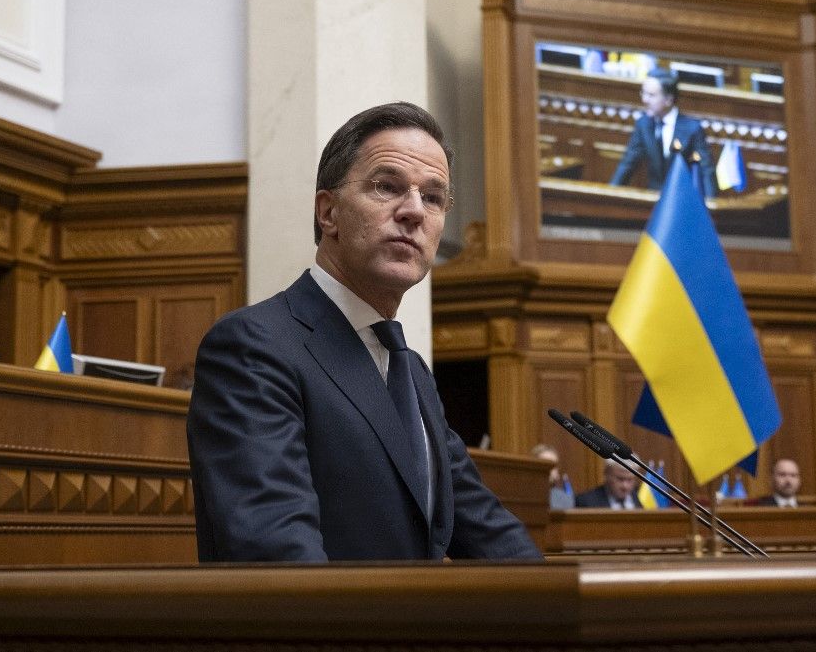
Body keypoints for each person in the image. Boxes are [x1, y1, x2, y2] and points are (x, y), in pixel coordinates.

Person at [187, 102, 541, 562]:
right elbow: (277, 557)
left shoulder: (409, 369)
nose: (414, 211)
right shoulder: (255, 346)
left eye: (433, 197)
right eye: (387, 186)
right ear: (328, 212)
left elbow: (487, 531)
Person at [609, 68, 716, 196]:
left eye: (651, 95)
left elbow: (706, 171)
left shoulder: (692, 129)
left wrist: (710, 207)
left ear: (668, 100)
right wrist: (610, 193)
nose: (644, 100)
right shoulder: (643, 124)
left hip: (683, 201)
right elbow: (627, 164)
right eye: (643, 93)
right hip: (653, 201)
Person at [575, 460, 642, 509]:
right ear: (606, 475)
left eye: (630, 479)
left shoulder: (643, 499)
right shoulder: (586, 502)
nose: (625, 486)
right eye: (620, 479)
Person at [530, 443, 574, 510]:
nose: (549, 470)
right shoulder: (520, 495)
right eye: (544, 464)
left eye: (553, 466)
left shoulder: (565, 500)